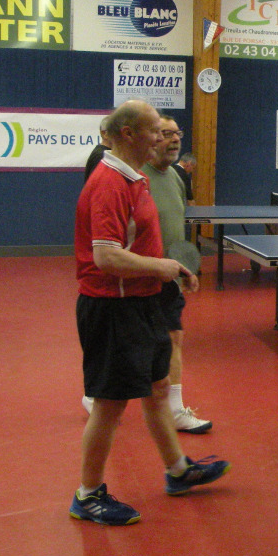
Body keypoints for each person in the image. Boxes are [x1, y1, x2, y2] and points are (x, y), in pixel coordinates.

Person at [71, 100, 229, 526]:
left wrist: (170, 269)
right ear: (128, 134)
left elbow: (138, 244)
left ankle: (178, 471)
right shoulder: (110, 183)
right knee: (109, 405)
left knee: (159, 388)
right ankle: (87, 495)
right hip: (112, 306)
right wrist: (161, 268)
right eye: (155, 130)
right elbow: (106, 257)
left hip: (144, 301)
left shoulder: (136, 176)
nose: (163, 137)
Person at [82, 117, 212, 433]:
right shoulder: (132, 176)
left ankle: (174, 412)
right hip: (134, 280)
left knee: (172, 338)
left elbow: (172, 226)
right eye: (164, 134)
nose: (173, 139)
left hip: (166, 276)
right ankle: (96, 396)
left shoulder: (177, 176)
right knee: (129, 349)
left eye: (177, 133)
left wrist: (181, 268)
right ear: (150, 139)